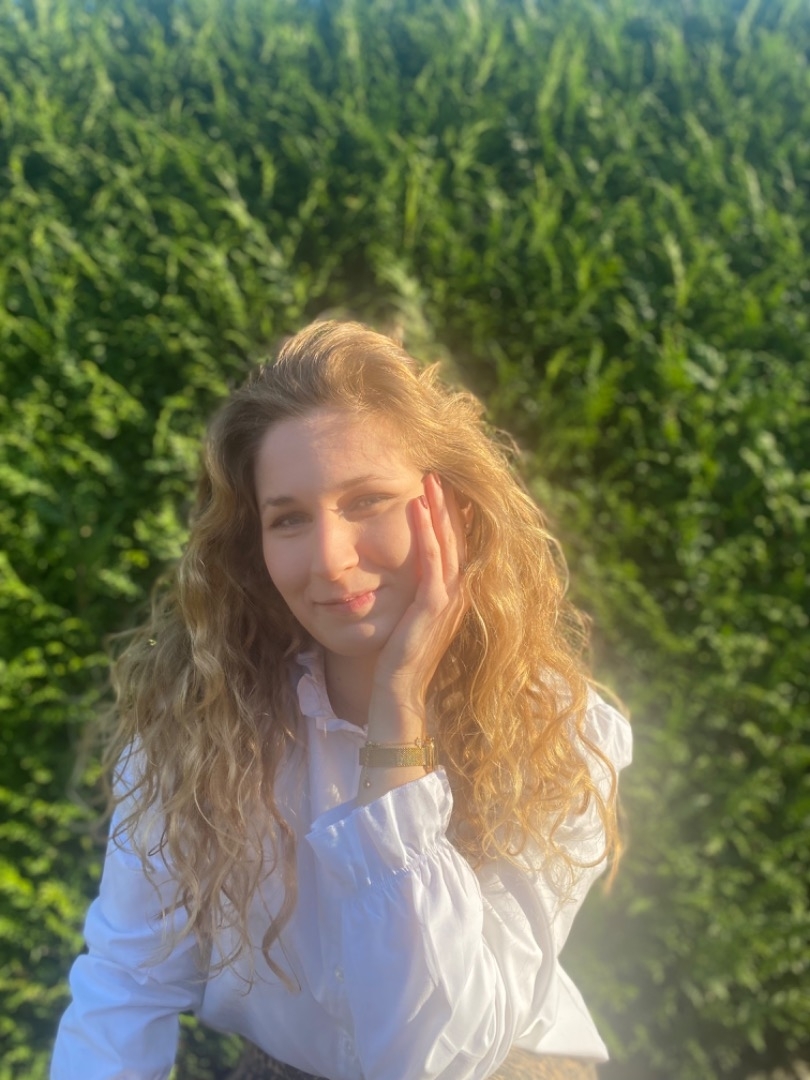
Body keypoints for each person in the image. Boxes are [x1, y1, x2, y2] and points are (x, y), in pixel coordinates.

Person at [51, 320, 632, 1080]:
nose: (328, 559)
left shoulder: (560, 730)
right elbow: (127, 983)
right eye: (289, 518)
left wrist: (397, 715)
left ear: (455, 512)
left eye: (366, 501)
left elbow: (432, 1056)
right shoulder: (197, 721)